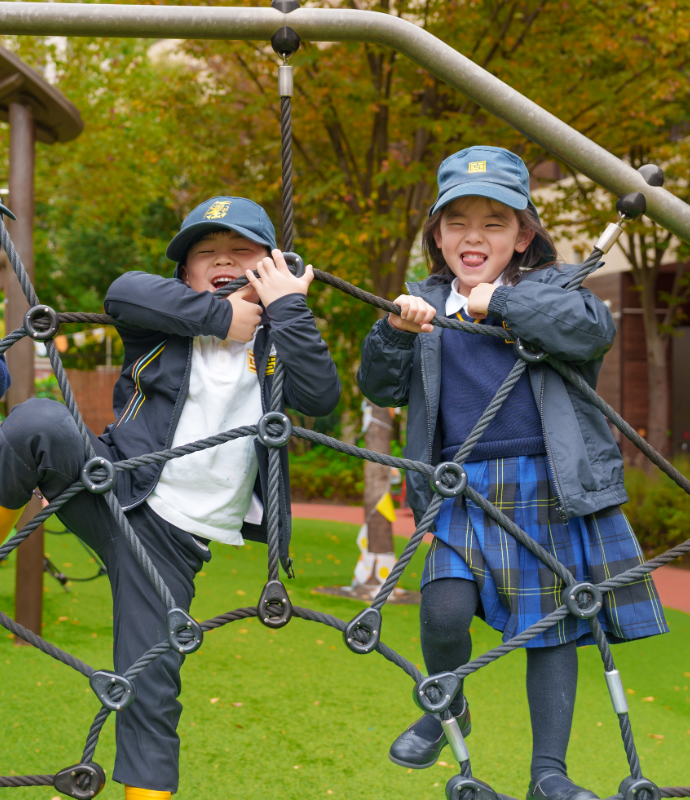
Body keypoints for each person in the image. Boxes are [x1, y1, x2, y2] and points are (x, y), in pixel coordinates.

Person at [0, 196, 341, 799]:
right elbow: (123, 290)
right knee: (38, 424)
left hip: (173, 544)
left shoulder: (278, 345)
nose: (222, 261)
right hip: (115, 486)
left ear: (272, 263)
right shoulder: (165, 326)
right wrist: (216, 318)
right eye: (206, 254)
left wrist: (287, 305)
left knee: (150, 685)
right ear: (185, 276)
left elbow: (320, 396)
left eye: (241, 251)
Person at [357, 147, 667, 800]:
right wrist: (394, 332)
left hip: (549, 486)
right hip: (463, 489)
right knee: (443, 613)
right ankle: (449, 708)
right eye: (458, 222)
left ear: (523, 234)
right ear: (436, 236)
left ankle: (548, 775)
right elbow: (378, 382)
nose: (475, 236)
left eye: (495, 221)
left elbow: (590, 333)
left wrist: (500, 303)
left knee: (551, 630)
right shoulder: (426, 306)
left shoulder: (549, 292)